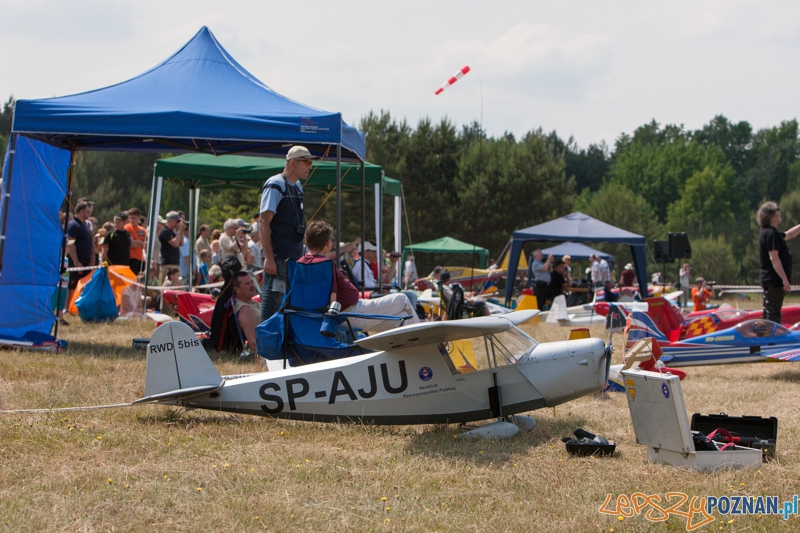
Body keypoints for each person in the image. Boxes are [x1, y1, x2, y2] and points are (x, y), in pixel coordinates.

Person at [299, 221, 420, 333]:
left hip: (346, 313)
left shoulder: (300, 264)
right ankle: (428, 344)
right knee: (402, 299)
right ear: (328, 243)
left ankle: (417, 349)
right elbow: (332, 298)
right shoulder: (324, 265)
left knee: (405, 318)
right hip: (351, 313)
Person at [259, 145, 314, 320]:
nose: (310, 166)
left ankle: (284, 347)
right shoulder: (275, 184)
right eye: (306, 162)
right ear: (293, 163)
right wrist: (269, 257)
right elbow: (263, 222)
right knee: (272, 308)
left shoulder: (297, 187)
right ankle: (265, 347)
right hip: (279, 259)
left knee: (290, 309)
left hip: (294, 258)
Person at [757, 202, 800, 323]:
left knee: (769, 310)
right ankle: (771, 339)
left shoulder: (769, 233)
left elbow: (789, 234)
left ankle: (766, 337)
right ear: (772, 216)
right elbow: (774, 258)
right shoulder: (771, 234)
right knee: (773, 313)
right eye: (777, 211)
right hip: (774, 280)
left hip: (770, 280)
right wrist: (784, 279)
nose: (780, 213)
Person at [65, 202, 96, 308]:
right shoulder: (73, 225)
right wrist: (76, 262)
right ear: (81, 211)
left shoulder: (86, 225)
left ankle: (78, 306)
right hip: (78, 260)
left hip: (87, 260)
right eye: (87, 211)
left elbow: (91, 242)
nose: (89, 214)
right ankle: (68, 306)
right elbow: (71, 245)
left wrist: (92, 256)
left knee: (84, 284)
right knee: (72, 285)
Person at [230, 271, 260, 350]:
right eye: (247, 284)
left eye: (251, 282)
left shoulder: (254, 303)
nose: (252, 285)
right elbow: (254, 344)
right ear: (236, 289)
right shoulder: (246, 310)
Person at [159, 212, 185, 283]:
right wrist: (179, 230)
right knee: (168, 285)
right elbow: (175, 244)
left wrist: (181, 231)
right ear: (171, 221)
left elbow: (181, 243)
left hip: (175, 263)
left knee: (178, 286)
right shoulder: (165, 232)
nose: (178, 223)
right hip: (168, 263)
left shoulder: (173, 232)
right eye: (177, 221)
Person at [124, 207, 146, 274]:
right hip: (131, 258)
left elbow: (147, 244)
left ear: (139, 217)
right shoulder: (127, 227)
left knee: (140, 280)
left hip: (141, 259)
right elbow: (132, 243)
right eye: (130, 218)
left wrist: (138, 241)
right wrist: (141, 243)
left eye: (133, 218)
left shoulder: (142, 229)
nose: (131, 220)